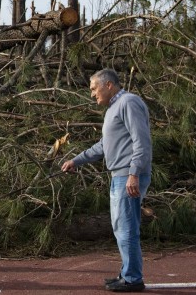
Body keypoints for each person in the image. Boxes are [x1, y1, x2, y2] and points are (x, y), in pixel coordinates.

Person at [61, 68, 152, 293]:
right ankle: (128, 274)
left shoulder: (128, 102)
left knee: (126, 227)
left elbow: (141, 141)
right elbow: (103, 146)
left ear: (108, 85)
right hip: (119, 175)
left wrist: (133, 173)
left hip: (128, 175)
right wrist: (76, 160)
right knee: (122, 226)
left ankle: (132, 279)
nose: (92, 94)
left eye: (94, 88)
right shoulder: (114, 108)